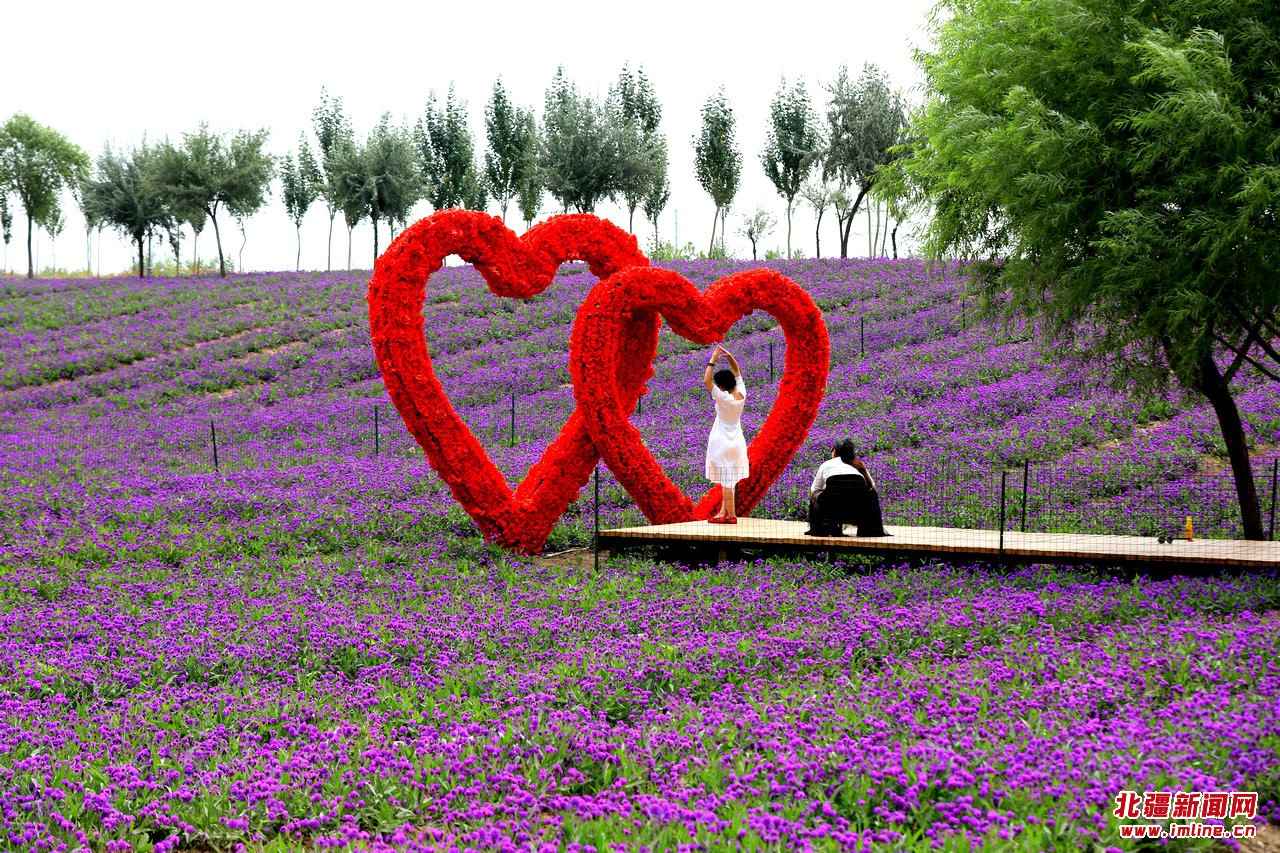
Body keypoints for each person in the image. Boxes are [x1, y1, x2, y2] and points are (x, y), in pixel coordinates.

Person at [805, 439, 890, 536]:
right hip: (857, 510)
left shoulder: (827, 464)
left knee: (816, 494)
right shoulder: (857, 464)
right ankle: (871, 530)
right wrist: (863, 471)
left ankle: (818, 529)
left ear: (834, 451)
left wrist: (822, 493)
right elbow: (871, 487)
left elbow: (814, 489)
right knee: (872, 494)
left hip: (832, 510)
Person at [703, 344, 748, 524]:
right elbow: (737, 372)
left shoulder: (723, 397)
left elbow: (707, 381)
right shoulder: (742, 393)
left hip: (721, 441)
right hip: (737, 441)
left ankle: (731, 515)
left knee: (726, 479)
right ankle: (723, 512)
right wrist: (729, 357)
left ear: (721, 386)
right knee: (729, 478)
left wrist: (713, 359)